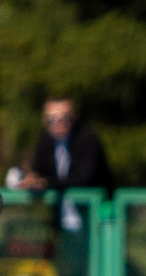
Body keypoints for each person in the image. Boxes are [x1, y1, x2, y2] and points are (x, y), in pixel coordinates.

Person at [17, 95, 115, 235]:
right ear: (44, 120)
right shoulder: (45, 141)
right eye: (52, 119)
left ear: (74, 117)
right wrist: (32, 179)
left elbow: (83, 178)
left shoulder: (87, 140)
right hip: (63, 219)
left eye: (65, 118)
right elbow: (40, 170)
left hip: (96, 217)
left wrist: (45, 182)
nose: (59, 123)